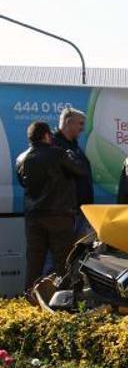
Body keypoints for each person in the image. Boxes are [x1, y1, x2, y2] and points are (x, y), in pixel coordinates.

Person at [15, 121, 86, 289]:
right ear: (46, 135)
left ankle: (31, 298)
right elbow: (80, 170)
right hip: (58, 215)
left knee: (34, 261)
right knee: (63, 261)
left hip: (33, 217)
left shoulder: (21, 158)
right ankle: (61, 299)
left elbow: (23, 184)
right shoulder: (59, 154)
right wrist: (72, 154)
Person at [53, 108, 93, 238]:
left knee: (78, 252)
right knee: (63, 253)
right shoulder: (55, 147)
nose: (83, 129)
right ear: (68, 122)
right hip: (66, 212)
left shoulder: (74, 146)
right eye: (80, 124)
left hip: (80, 210)